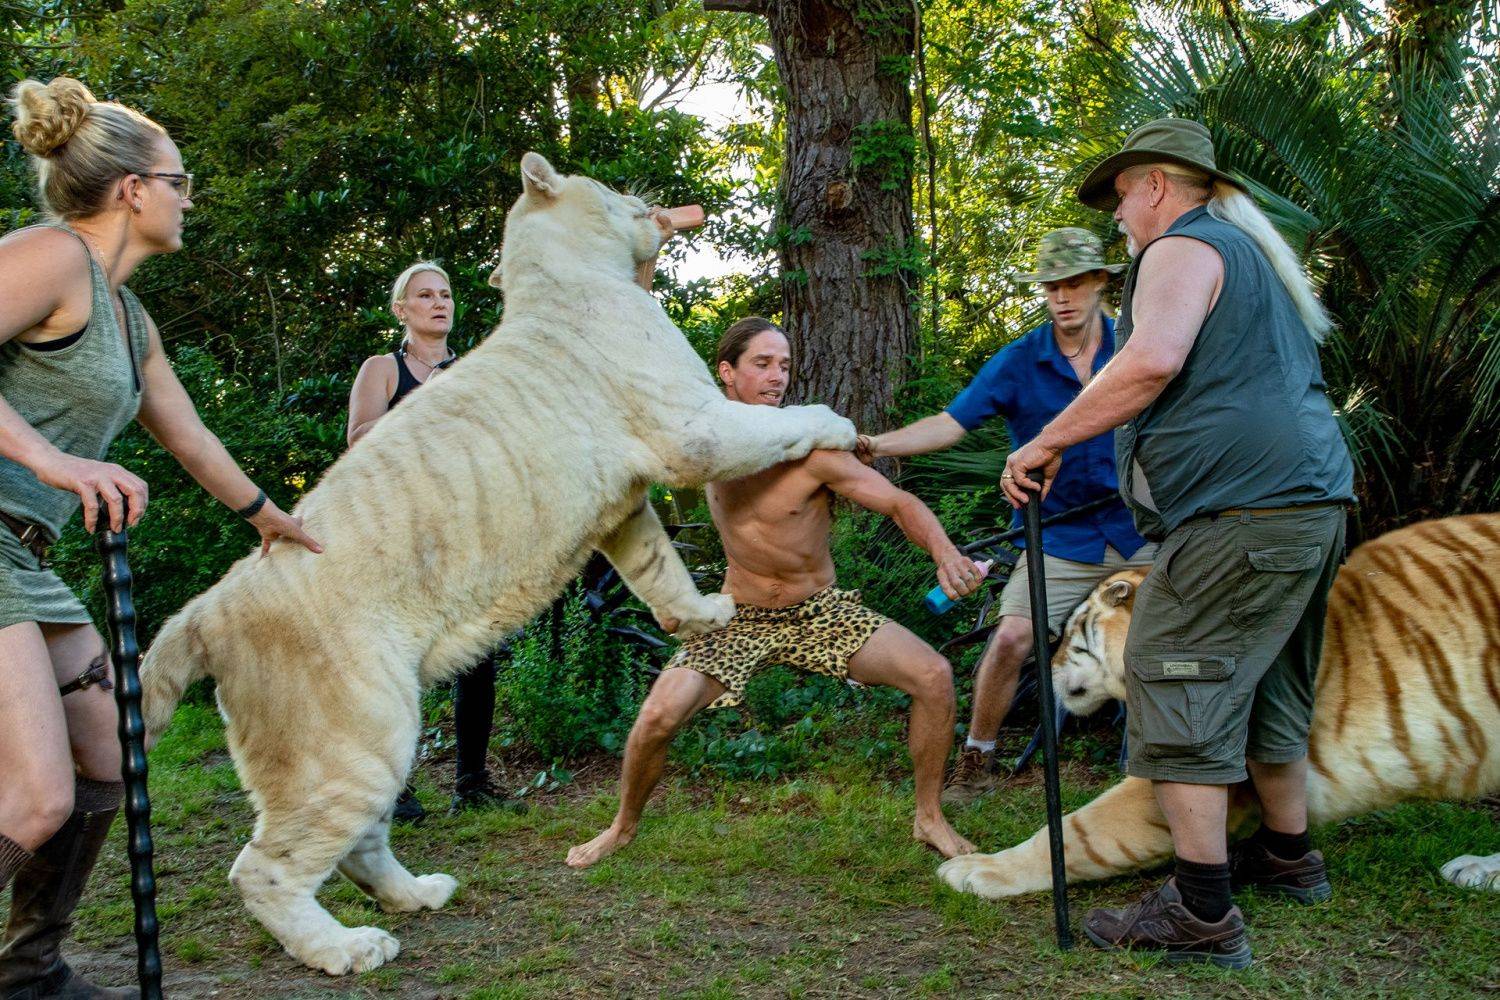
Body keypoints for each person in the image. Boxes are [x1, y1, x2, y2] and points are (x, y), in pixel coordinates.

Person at [1000, 118, 1353, 968]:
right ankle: (1288, 856)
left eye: (1121, 196)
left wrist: (1043, 442)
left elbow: (1153, 360)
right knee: (1267, 681)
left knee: (1170, 668)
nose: (1119, 218)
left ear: (1155, 184)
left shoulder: (1182, 248)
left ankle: (1202, 912)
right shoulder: (1248, 254)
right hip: (1308, 504)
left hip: (1244, 512)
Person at [0, 77, 321, 998]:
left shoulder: (128, 317)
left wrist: (274, 521)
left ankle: (27, 971)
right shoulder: (50, 256)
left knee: (105, 753)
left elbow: (189, 435)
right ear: (134, 190)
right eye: (180, 182)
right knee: (37, 795)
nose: (189, 201)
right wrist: (61, 466)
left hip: (24, 552)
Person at [567, 317, 985, 870]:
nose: (777, 377)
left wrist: (945, 553)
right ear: (727, 374)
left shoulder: (809, 450)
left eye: (784, 365)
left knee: (933, 675)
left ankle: (929, 816)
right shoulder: (701, 447)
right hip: (738, 615)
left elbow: (899, 504)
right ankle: (622, 826)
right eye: (762, 364)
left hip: (819, 611)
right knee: (658, 717)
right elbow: (636, 355)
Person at [859, 228, 1155, 804]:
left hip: (1137, 529)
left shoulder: (1138, 348)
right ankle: (978, 757)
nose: (1063, 296)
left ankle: (1157, 770)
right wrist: (876, 444)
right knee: (1012, 636)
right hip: (1058, 536)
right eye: (1052, 286)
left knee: (1168, 642)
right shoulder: (1019, 361)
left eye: (1075, 283)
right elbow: (951, 423)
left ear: (1101, 283)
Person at [347, 261, 513, 820]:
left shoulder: (473, 371)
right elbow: (357, 442)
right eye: (425, 295)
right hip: (401, 540)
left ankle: (471, 781)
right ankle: (392, 789)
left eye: (445, 294)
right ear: (403, 310)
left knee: (477, 660)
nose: (439, 302)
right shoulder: (384, 369)